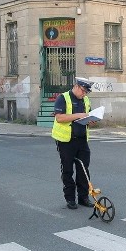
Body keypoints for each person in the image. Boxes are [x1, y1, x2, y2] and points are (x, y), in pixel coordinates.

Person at [51, 77, 96, 209]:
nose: (84, 94)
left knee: (83, 169)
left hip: (82, 140)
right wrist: (79, 115)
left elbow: (86, 117)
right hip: (66, 141)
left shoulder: (86, 100)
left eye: (86, 92)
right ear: (76, 86)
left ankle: (83, 197)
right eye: (83, 91)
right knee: (68, 170)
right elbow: (59, 118)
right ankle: (70, 198)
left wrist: (91, 120)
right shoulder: (63, 98)